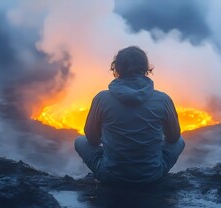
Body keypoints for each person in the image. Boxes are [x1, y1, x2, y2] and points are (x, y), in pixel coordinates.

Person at [75, 46, 185, 183]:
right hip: (151, 175)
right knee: (180, 141)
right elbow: (174, 137)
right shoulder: (163, 99)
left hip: (110, 175)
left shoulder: (101, 99)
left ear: (116, 68)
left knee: (80, 141)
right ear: (146, 69)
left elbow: (92, 139)